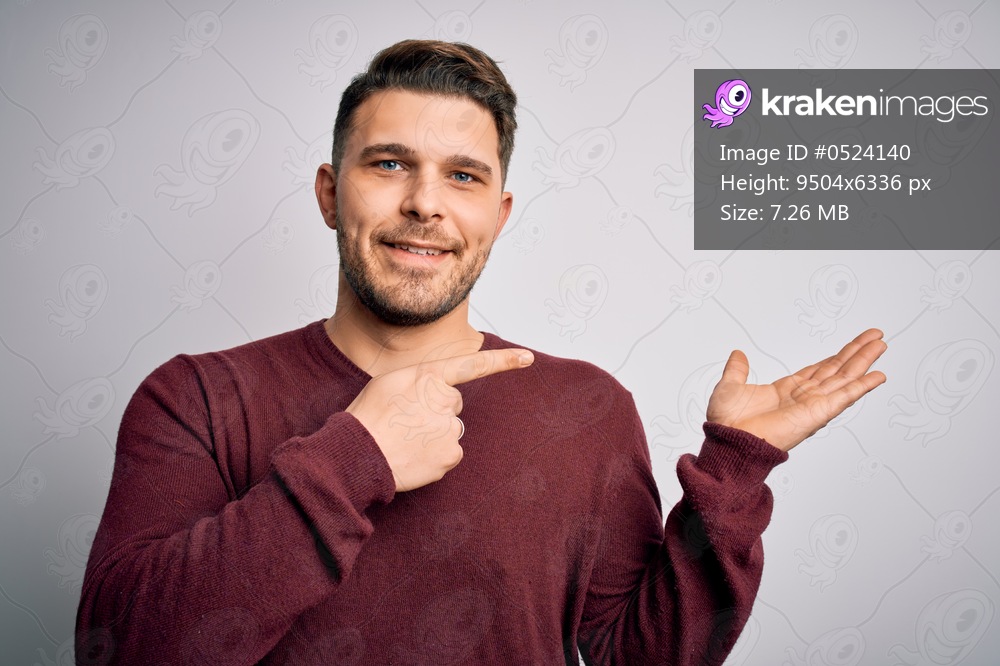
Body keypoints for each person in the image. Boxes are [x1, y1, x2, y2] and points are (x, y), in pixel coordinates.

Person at [76, 40, 887, 665]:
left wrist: (737, 468)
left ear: (498, 215)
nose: (425, 202)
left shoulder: (587, 410)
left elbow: (641, 656)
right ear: (331, 193)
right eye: (389, 164)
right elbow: (122, 649)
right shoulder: (195, 398)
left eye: (462, 176)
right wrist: (353, 459)